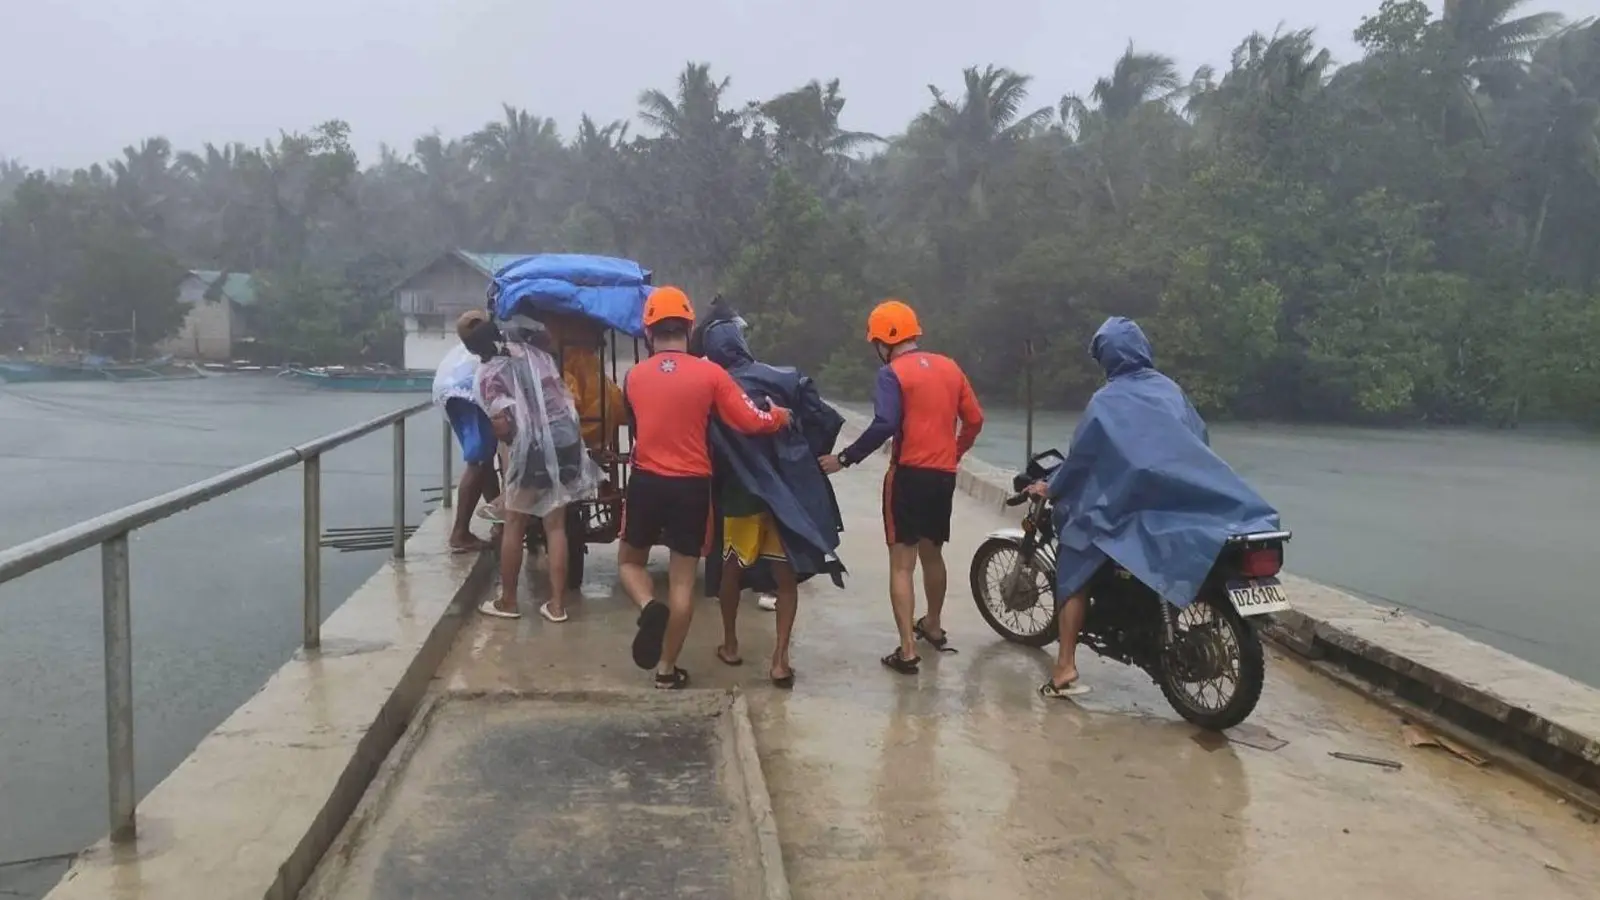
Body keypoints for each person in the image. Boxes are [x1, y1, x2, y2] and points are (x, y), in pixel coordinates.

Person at [1025, 316, 1280, 698]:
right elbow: (1199, 440)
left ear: (1106, 358)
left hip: (1128, 508)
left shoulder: (1105, 402)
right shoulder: (1172, 392)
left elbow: (1081, 460)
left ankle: (1064, 667)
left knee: (1074, 562)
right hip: (1180, 501)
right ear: (1143, 348)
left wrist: (1053, 487)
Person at [619, 286, 791, 690]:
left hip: (646, 481)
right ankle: (666, 671)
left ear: (649, 332)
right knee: (682, 581)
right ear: (690, 327)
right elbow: (750, 421)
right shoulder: (711, 374)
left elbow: (635, 422)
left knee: (630, 563)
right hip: (691, 487)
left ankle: (648, 607)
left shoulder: (633, 377)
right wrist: (778, 417)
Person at [819, 300, 984, 674]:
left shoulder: (892, 374)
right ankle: (934, 624)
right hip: (943, 476)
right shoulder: (950, 367)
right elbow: (974, 419)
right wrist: (953, 453)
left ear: (884, 341)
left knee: (901, 565)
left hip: (908, 474)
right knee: (933, 553)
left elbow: (884, 424)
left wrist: (844, 459)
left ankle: (907, 650)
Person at [697, 303, 846, 688]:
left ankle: (730, 644)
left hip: (740, 495)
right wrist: (804, 458)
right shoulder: (785, 378)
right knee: (785, 577)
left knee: (731, 569)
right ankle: (780, 660)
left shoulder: (713, 387)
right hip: (786, 496)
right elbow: (822, 418)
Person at [471, 314, 602, 623]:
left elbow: (503, 425)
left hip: (531, 449)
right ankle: (557, 606)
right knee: (555, 525)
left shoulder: (490, 373)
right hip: (566, 442)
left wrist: (510, 437)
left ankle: (509, 601)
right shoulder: (539, 357)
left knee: (514, 523)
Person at [435, 310, 503, 552]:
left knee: (484, 458)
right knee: (478, 460)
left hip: (453, 396)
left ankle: (499, 521)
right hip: (467, 397)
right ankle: (460, 532)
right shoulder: (481, 351)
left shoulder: (462, 352)